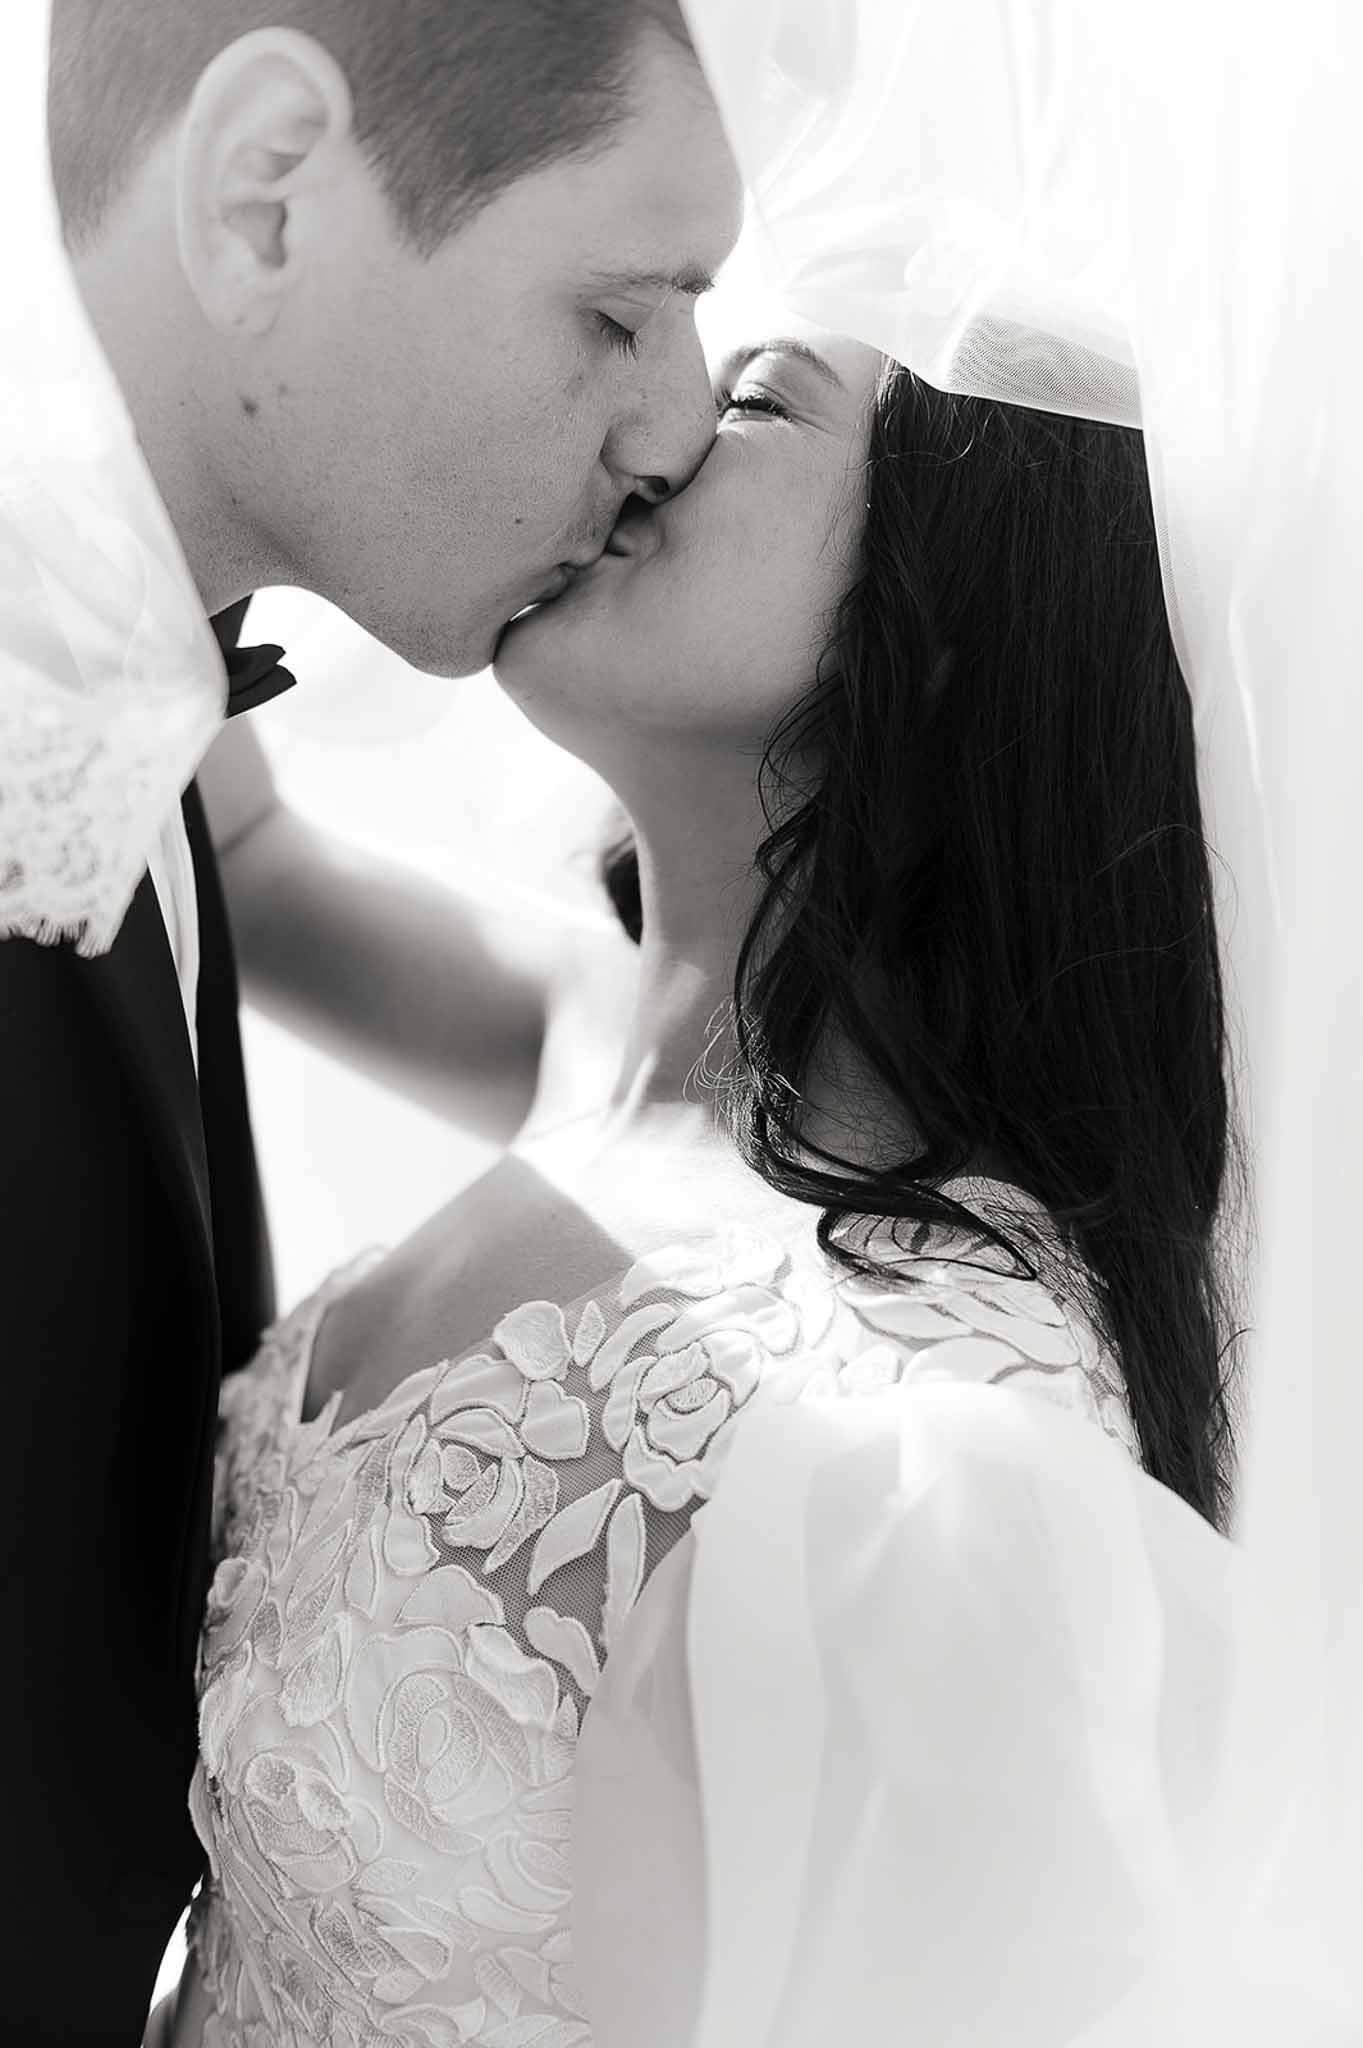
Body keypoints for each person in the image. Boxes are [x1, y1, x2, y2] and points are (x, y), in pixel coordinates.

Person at [161, 319, 1236, 2046]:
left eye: (747, 406)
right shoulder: (593, 1034)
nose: (639, 439)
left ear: (955, 624)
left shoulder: (928, 1452)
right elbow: (246, 862)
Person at [2, 6, 741, 2042]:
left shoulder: (118, 656)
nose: (675, 425)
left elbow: (258, 873)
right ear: (265, 195)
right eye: (616, 313)